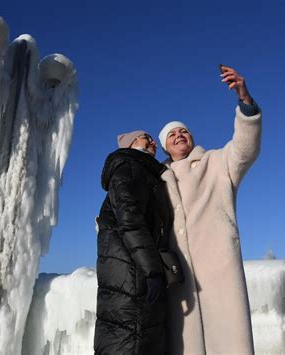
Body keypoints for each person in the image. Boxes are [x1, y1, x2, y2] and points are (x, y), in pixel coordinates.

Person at [158, 65, 262, 355]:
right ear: (165, 146)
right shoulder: (157, 179)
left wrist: (245, 100)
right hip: (178, 282)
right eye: (172, 134)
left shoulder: (217, 162)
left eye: (184, 131)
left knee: (229, 344)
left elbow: (245, 148)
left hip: (220, 275)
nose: (179, 135)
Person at [94, 130, 173, 355]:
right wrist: (153, 272)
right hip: (133, 275)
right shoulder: (130, 166)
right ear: (130, 144)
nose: (152, 141)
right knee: (132, 341)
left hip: (129, 271)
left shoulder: (141, 170)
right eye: (144, 137)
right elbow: (130, 220)